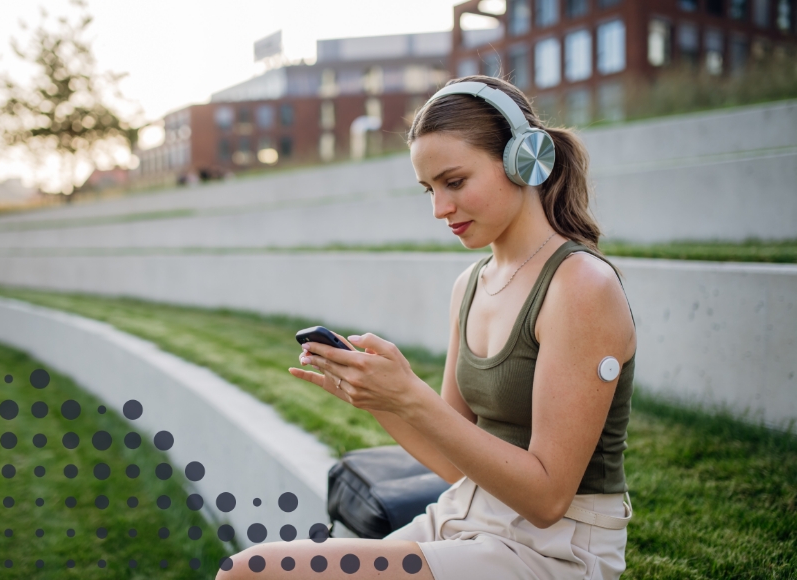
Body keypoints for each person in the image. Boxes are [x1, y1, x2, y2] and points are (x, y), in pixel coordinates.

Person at [216, 75, 636, 580]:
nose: (440, 209)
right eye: (429, 189)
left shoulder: (581, 287)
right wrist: (382, 399)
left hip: (551, 551)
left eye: (454, 182)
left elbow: (547, 499)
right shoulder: (471, 284)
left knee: (253, 571)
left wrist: (412, 396)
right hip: (464, 516)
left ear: (523, 159)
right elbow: (456, 466)